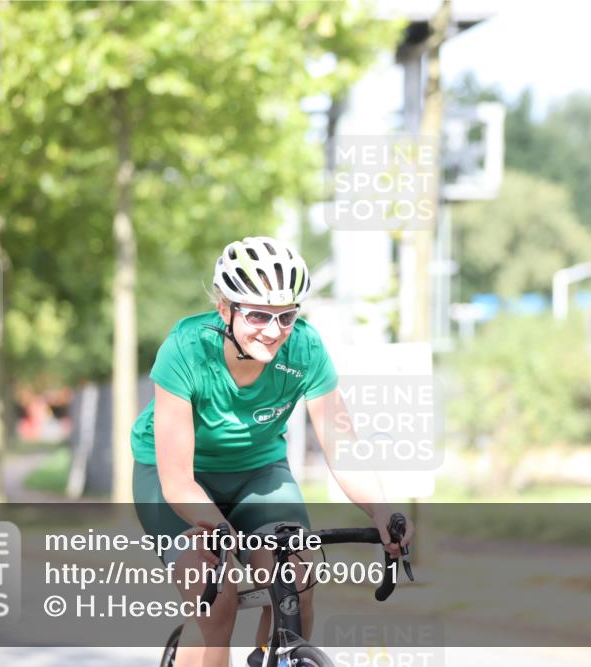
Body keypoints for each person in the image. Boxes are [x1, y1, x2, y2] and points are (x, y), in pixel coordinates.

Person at [131, 236, 414, 667]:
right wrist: (223, 532)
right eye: (258, 314)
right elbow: (177, 479)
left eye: (286, 316)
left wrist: (380, 511)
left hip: (258, 471)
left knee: (295, 583)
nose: (273, 330)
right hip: (176, 478)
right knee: (216, 599)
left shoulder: (305, 349)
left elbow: (342, 446)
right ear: (225, 309)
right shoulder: (185, 350)